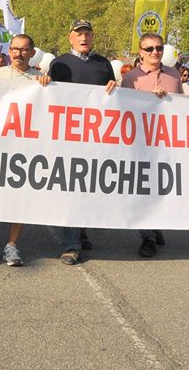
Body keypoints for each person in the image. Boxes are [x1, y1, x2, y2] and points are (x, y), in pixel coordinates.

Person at [0, 34, 50, 266]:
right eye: (15, 49)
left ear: (32, 52)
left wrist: (49, 87)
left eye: (24, 50)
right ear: (9, 50)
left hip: (27, 147)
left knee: (20, 198)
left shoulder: (41, 78)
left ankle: (12, 246)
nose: (18, 54)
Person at [48, 20, 117, 265]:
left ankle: (81, 231)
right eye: (79, 34)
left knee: (89, 188)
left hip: (96, 137)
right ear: (71, 38)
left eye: (87, 34)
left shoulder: (103, 64)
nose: (84, 38)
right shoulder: (59, 63)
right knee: (71, 188)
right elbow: (49, 97)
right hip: (67, 136)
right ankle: (71, 244)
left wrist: (114, 87)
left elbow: (112, 97)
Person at [121, 33, 181, 257]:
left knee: (162, 186)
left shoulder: (174, 76)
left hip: (167, 141)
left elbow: (184, 107)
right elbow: (124, 108)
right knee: (144, 188)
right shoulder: (132, 78)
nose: (155, 52)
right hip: (141, 141)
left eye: (159, 48)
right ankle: (147, 237)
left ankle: (156, 226)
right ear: (140, 52)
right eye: (149, 49)